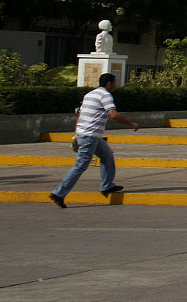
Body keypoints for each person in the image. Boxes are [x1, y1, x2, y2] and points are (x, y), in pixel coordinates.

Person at [50, 73, 139, 207]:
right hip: (89, 136)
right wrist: (132, 124)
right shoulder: (105, 95)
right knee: (80, 166)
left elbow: (81, 114)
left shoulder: (90, 94)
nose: (115, 85)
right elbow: (113, 115)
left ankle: (107, 186)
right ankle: (58, 193)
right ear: (109, 83)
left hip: (88, 135)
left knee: (107, 156)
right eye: (114, 82)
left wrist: (76, 132)